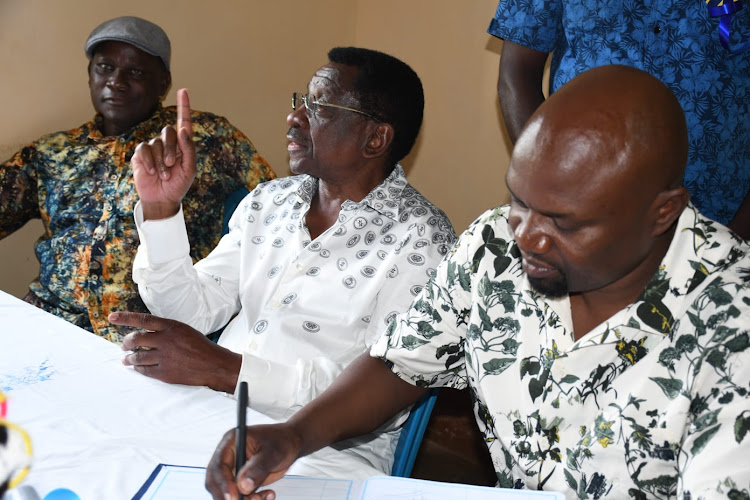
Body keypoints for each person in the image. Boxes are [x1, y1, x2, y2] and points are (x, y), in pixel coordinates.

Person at [203, 65, 750, 500]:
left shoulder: (733, 320)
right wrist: (297, 435)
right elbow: (401, 363)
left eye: (564, 222)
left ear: (663, 213)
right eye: (519, 201)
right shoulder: (492, 246)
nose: (529, 238)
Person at [108, 47, 456, 478]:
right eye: (300, 101)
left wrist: (227, 370)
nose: (295, 117)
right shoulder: (272, 200)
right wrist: (161, 211)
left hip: (325, 453)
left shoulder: (422, 240)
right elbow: (190, 311)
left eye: (319, 106)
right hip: (207, 409)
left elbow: (378, 392)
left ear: (375, 139)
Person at [0, 16, 275, 343]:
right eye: (104, 67)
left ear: (163, 83)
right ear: (89, 75)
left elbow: (278, 211)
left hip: (151, 338)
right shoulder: (52, 153)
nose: (116, 81)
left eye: (136, 72)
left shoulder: (205, 139)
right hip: (51, 325)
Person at [487, 0, 750, 239]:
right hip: (581, 215)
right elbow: (516, 76)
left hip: (724, 215)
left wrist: (738, 237)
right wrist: (550, 194)